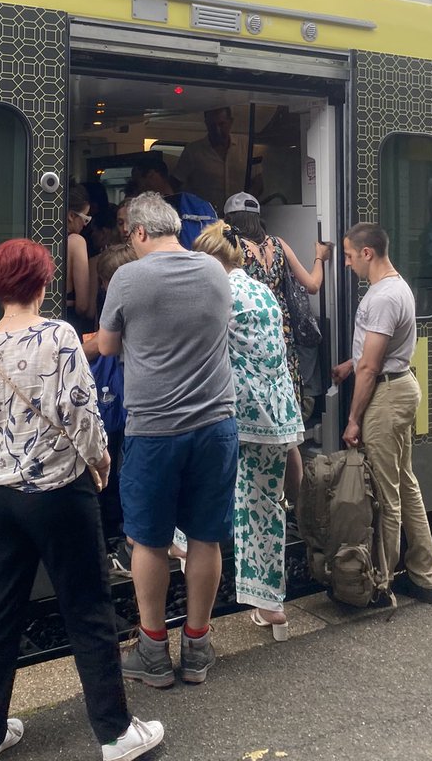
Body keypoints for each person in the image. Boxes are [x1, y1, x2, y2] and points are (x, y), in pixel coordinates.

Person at [0, 238, 163, 761]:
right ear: (42, 284)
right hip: (58, 494)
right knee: (87, 608)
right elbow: (83, 417)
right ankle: (115, 733)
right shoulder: (60, 336)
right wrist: (101, 462)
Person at [97, 192, 237, 688]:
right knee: (205, 536)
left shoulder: (128, 278)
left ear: (138, 232)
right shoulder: (215, 271)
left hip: (154, 429)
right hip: (216, 425)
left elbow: (108, 345)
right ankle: (197, 646)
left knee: (149, 540)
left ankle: (153, 652)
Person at [192, 222, 303, 640]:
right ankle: (271, 607)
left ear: (210, 258)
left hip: (237, 412)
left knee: (201, 486)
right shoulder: (262, 290)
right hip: (277, 412)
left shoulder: (218, 292)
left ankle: (184, 552)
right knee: (264, 508)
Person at [333, 223, 432, 604]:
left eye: (349, 256)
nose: (347, 264)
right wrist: (351, 363)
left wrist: (353, 419)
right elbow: (376, 353)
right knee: (406, 483)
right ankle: (423, 574)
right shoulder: (398, 287)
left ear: (367, 253)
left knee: (385, 492)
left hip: (387, 394)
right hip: (401, 385)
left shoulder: (382, 298)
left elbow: (372, 366)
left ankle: (380, 583)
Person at [223, 192, 332, 417]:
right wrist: (319, 257)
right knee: (283, 395)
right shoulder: (278, 244)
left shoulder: (232, 247)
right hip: (281, 333)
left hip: (247, 333)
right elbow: (313, 285)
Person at [83, 243, 135, 552]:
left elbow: (103, 345)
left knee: (113, 460)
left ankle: (117, 535)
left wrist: (71, 349)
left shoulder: (119, 301)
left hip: (119, 395)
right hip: (141, 398)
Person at [173, 107, 255, 212]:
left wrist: (245, 206)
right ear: (206, 124)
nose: (217, 130)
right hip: (204, 216)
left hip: (240, 216)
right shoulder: (193, 151)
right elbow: (175, 183)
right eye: (212, 126)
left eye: (222, 124)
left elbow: (258, 182)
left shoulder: (246, 146)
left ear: (230, 122)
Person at [129, 156, 216, 249]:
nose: (138, 187)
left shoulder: (190, 204)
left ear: (152, 175)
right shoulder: (194, 203)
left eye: (137, 181)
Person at [66, 184, 93, 337]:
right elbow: (82, 305)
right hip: (68, 322)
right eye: (85, 218)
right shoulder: (76, 241)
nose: (85, 224)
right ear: (71, 215)